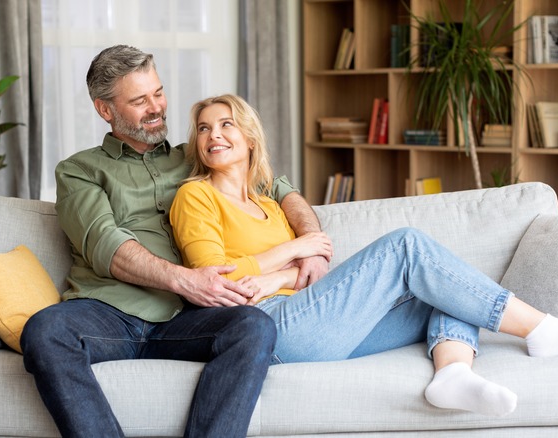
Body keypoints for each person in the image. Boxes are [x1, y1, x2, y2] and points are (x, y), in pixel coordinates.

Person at [169, 94, 558, 417]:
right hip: (266, 330)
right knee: (406, 245)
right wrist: (294, 250)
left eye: (226, 124)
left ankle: (451, 375)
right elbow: (214, 277)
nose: (214, 135)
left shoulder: (269, 204)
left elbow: (305, 274)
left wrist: (281, 269)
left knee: (448, 288)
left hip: (311, 320)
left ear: (250, 137)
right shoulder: (196, 197)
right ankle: (542, 328)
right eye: (205, 128)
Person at [19, 46, 328, 438]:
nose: (156, 107)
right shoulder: (80, 170)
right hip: (110, 313)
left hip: (187, 319)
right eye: (139, 100)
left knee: (252, 326)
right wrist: (185, 279)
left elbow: (278, 187)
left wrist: (312, 245)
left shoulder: (194, 156)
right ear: (105, 109)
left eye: (158, 93)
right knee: (45, 331)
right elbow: (106, 244)